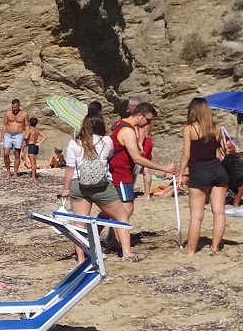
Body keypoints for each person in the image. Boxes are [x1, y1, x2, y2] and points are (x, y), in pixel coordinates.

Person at [61, 114, 139, 262]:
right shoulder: (107, 141)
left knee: (80, 223)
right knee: (121, 216)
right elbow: (109, 156)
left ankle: (81, 258)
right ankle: (127, 252)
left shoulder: (74, 142)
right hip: (102, 186)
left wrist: (65, 189)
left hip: (79, 184)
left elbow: (70, 168)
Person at [110, 103, 174, 233]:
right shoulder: (127, 130)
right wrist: (163, 168)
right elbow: (137, 159)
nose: (148, 124)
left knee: (112, 209)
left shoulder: (119, 124)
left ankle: (101, 236)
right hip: (121, 173)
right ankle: (116, 240)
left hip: (121, 171)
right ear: (139, 115)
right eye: (148, 120)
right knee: (127, 207)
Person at [178, 97, 228, 255]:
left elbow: (186, 155)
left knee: (196, 216)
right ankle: (215, 247)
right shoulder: (216, 128)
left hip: (199, 172)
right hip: (217, 170)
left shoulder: (190, 129)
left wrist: (180, 174)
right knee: (219, 212)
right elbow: (220, 152)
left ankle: (191, 251)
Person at [1, 99, 28, 179]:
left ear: (19, 106)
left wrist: (26, 138)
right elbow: (5, 125)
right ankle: (8, 171)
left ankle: (15, 172)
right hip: (8, 135)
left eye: (15, 107)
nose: (14, 109)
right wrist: (2, 136)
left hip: (18, 135)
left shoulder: (24, 114)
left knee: (17, 154)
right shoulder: (8, 113)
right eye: (12, 107)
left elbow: (27, 126)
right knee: (6, 153)